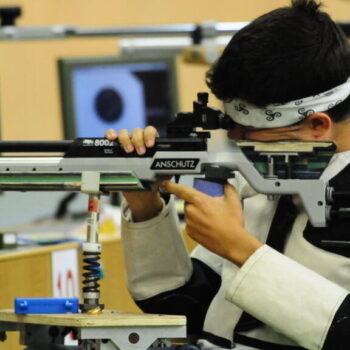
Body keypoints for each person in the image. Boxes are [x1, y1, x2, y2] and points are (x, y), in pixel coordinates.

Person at [106, 1, 350, 349]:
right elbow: (182, 307)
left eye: (247, 130)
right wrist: (146, 206)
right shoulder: (250, 176)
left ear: (316, 125)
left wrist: (241, 249)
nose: (233, 139)